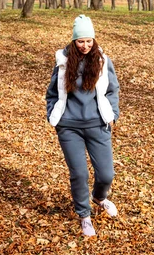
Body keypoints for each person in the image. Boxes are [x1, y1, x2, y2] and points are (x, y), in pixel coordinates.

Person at [46, 14, 120, 237]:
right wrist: (54, 116)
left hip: (98, 124)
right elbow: (51, 94)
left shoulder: (102, 61)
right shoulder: (63, 62)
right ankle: (84, 215)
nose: (85, 45)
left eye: (89, 40)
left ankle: (99, 198)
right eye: (81, 41)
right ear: (73, 41)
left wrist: (113, 114)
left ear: (94, 40)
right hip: (69, 127)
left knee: (106, 174)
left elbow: (112, 90)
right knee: (79, 174)